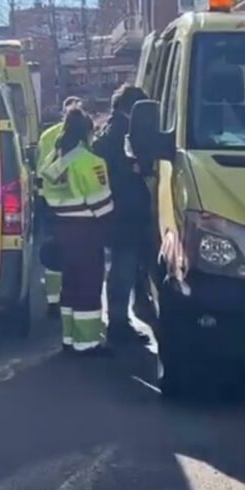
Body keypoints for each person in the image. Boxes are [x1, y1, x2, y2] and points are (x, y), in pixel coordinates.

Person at [40, 107, 113, 355]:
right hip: (86, 232)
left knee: (69, 287)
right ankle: (88, 343)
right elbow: (101, 204)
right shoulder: (90, 162)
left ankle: (69, 339)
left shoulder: (55, 160)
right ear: (87, 133)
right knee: (88, 287)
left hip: (61, 228)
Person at [93, 85, 152, 344]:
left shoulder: (110, 129)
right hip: (125, 212)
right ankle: (118, 323)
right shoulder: (119, 134)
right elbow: (119, 173)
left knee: (123, 268)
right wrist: (138, 170)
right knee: (123, 269)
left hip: (119, 210)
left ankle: (120, 319)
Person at [37, 96, 83, 318]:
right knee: (74, 255)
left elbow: (42, 171)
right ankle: (70, 299)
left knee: (52, 253)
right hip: (77, 206)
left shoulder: (47, 136)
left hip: (50, 202)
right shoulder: (82, 137)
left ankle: (53, 301)